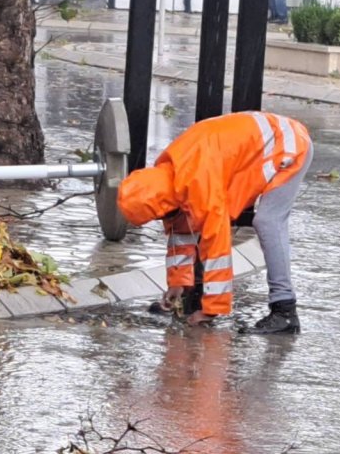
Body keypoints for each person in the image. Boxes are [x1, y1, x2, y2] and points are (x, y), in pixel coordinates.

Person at [116, 111, 314, 334]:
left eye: (158, 216)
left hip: (289, 145)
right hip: (269, 139)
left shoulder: (199, 179)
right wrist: (178, 284)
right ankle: (193, 294)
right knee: (211, 220)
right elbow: (180, 227)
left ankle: (285, 311)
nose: (162, 219)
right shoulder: (170, 176)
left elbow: (216, 246)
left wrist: (211, 311)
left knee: (268, 221)